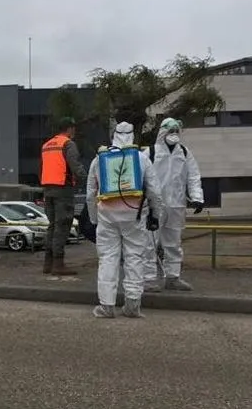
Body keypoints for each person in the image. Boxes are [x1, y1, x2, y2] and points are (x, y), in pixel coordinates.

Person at [86, 122, 164, 318]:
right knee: (135, 257)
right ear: (132, 136)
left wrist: (94, 219)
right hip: (134, 217)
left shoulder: (99, 159)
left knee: (108, 259)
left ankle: (106, 306)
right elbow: (155, 192)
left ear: (113, 135)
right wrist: (155, 215)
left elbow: (90, 194)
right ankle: (132, 305)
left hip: (107, 217)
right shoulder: (141, 158)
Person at [143, 118, 204, 292]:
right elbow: (141, 177)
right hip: (155, 205)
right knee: (149, 243)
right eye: (171, 131)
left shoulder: (184, 152)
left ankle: (172, 277)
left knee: (174, 243)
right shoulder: (150, 152)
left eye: (177, 131)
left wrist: (197, 197)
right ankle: (148, 279)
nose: (174, 135)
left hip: (177, 204)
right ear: (163, 132)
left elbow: (193, 176)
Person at [40, 117, 87, 275]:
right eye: (74, 128)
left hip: (48, 188)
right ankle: (58, 265)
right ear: (69, 129)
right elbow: (75, 165)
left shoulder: (46, 145)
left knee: (52, 225)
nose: (75, 131)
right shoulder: (68, 144)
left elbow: (42, 167)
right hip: (63, 189)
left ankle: (48, 263)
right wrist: (87, 179)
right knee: (63, 225)